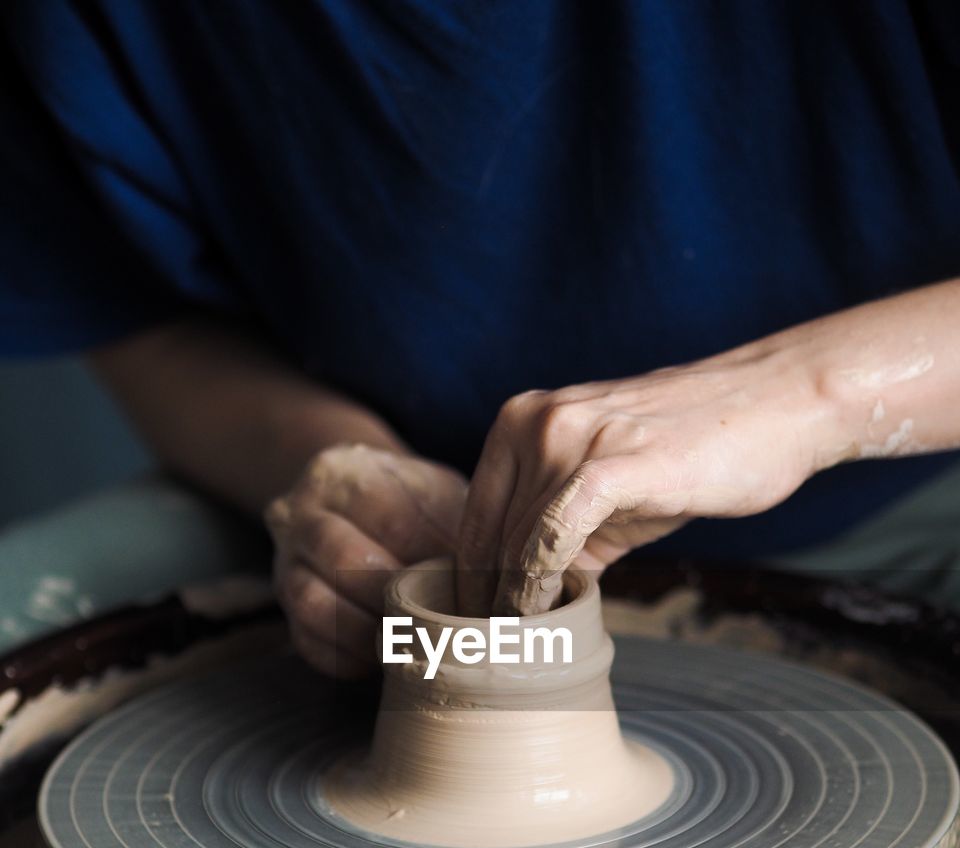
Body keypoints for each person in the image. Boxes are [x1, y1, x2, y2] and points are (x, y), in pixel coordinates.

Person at [3, 2, 960, 673]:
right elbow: (140, 325)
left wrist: (802, 395)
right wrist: (334, 466)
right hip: (403, 513)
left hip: (906, 488)